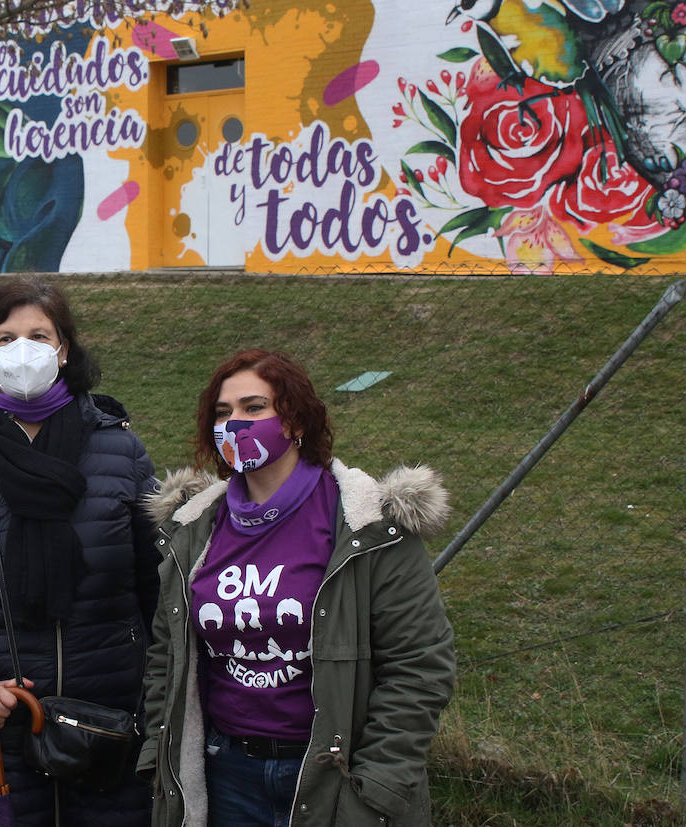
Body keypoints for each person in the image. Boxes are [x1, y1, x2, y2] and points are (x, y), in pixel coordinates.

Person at [139, 349, 455, 827]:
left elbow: (420, 667)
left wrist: (378, 786)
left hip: (333, 776)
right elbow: (167, 658)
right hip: (225, 775)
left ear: (296, 421)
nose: (234, 423)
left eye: (253, 407)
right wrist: (157, 759)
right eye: (223, 413)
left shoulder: (367, 524)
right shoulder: (194, 529)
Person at [0, 276, 160, 826]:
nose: (24, 350)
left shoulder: (120, 449)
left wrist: (154, 693)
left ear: (63, 351)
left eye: (39, 336)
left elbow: (157, 586)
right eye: (6, 337)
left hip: (108, 719)